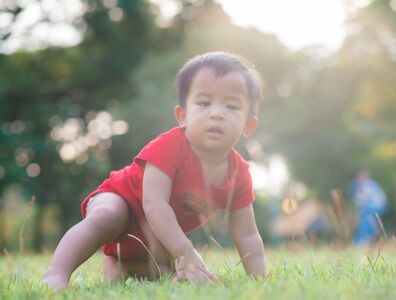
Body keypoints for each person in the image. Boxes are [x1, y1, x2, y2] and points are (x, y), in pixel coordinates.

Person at [42, 52, 268, 291]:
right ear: (182, 115)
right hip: (122, 200)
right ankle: (56, 274)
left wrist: (260, 282)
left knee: (167, 272)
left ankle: (117, 263)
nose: (216, 113)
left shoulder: (239, 173)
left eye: (231, 106)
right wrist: (186, 253)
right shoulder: (169, 147)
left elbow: (248, 236)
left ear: (248, 125)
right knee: (109, 215)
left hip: (156, 233)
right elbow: (154, 204)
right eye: (203, 103)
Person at [349, 169, 387, 245]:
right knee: (366, 223)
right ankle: (363, 242)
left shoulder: (371, 184)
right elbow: (356, 198)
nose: (362, 177)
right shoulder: (355, 185)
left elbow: (380, 197)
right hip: (366, 209)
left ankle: (364, 242)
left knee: (368, 223)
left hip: (374, 208)